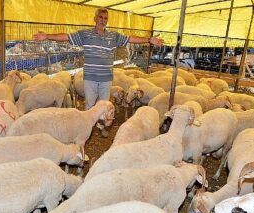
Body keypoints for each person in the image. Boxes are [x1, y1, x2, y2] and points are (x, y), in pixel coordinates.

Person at [34, 8, 163, 136]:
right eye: (100, 17)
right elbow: (67, 37)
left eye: (105, 18)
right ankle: (86, 130)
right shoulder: (86, 35)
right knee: (90, 105)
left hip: (106, 78)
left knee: (105, 104)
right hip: (90, 77)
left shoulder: (113, 36)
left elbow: (130, 39)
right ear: (95, 19)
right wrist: (47, 36)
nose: (103, 20)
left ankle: (101, 127)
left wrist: (149, 40)